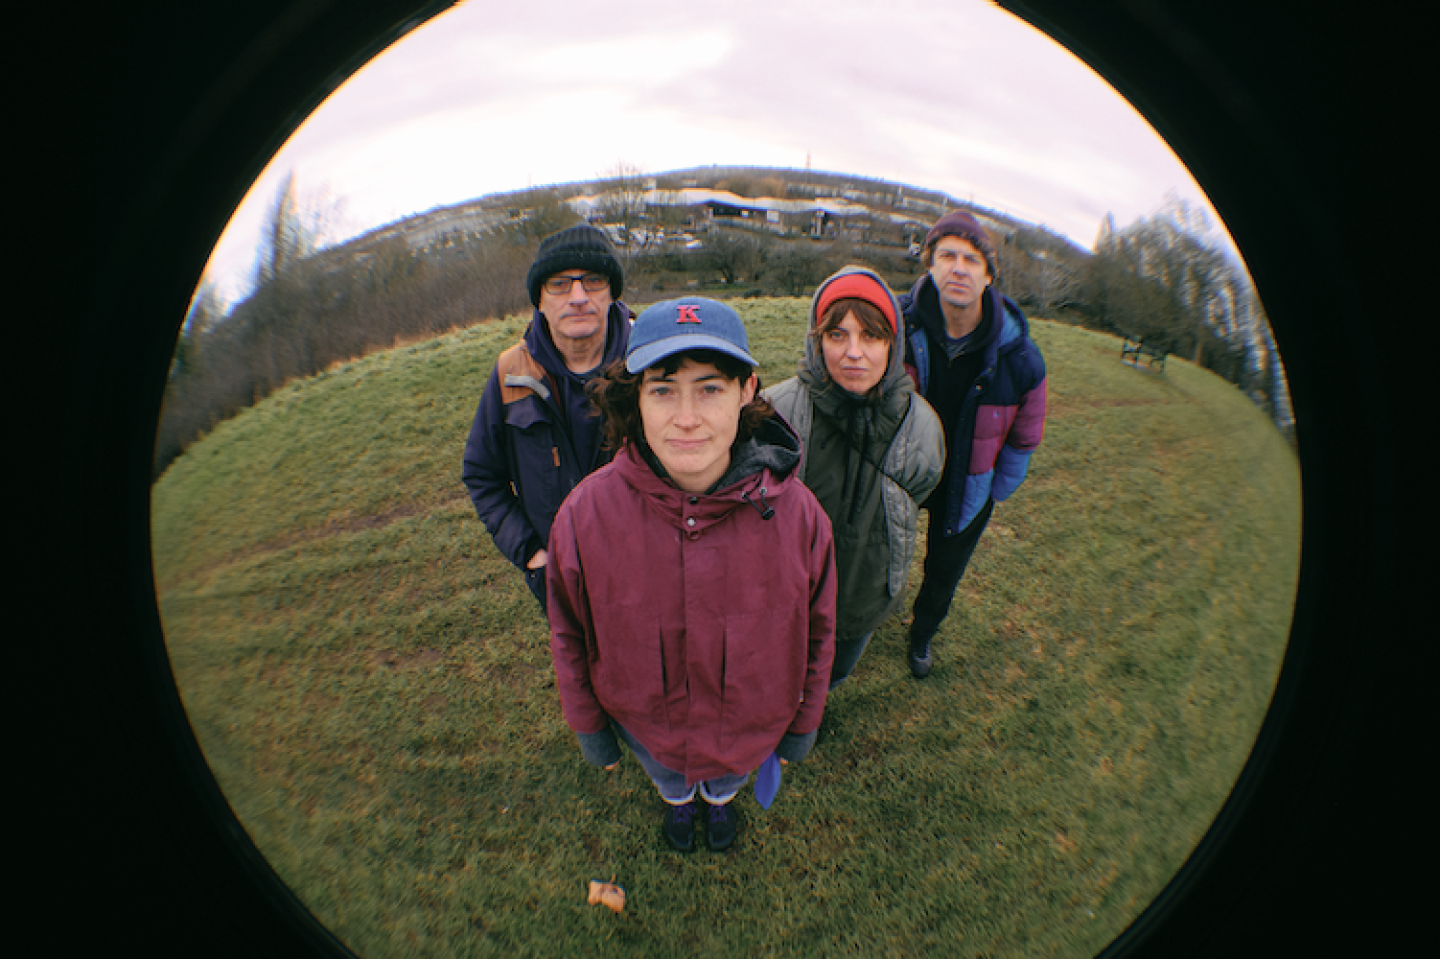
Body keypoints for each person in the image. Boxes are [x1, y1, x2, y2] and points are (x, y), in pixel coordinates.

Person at [546, 296, 836, 854]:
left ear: (747, 391)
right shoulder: (585, 516)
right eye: (662, 390)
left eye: (710, 389)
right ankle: (677, 801)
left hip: (748, 734)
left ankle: (721, 799)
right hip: (648, 734)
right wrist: (589, 727)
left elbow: (821, 631)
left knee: (725, 782)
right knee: (671, 781)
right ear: (636, 398)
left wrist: (803, 724)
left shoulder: (801, 516)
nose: (686, 418)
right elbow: (569, 633)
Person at [763, 266, 944, 689]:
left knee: (834, 673)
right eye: (837, 335)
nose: (854, 353)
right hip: (782, 593)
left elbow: (922, 485)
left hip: (865, 590)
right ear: (817, 340)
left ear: (893, 344)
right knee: (776, 671)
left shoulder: (921, 426)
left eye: (871, 336)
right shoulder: (774, 411)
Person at [900, 210, 1047, 678]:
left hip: (968, 480)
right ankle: (858, 615)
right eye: (947, 256)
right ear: (930, 265)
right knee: (878, 546)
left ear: (988, 275)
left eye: (971, 259)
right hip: (902, 469)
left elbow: (1025, 437)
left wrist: (995, 491)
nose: (958, 268)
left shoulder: (1020, 357)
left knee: (944, 570)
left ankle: (922, 633)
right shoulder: (896, 327)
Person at [461, 224, 631, 613]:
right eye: (559, 284)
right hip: (562, 583)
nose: (578, 297)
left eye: (593, 281)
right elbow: (482, 475)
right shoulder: (511, 373)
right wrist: (533, 556)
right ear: (539, 299)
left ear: (612, 292)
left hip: (649, 574)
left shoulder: (648, 363)